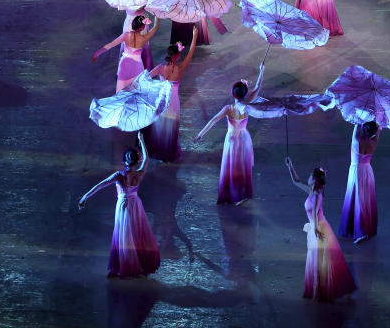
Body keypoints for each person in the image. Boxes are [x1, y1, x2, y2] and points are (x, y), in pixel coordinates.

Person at [78, 133, 161, 278]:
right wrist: (141, 140)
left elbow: (100, 185)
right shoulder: (140, 173)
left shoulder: (118, 176)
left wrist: (85, 196)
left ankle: (124, 265)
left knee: (122, 236)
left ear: (124, 161)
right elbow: (147, 158)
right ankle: (138, 264)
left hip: (123, 206)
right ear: (137, 161)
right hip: (136, 205)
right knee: (136, 234)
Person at [285, 158, 357, 301]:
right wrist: (290, 166)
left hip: (319, 228)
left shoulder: (318, 195)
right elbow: (296, 181)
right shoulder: (311, 191)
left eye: (311, 176)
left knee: (324, 261)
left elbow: (315, 214)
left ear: (315, 180)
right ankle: (317, 289)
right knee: (318, 260)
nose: (308, 177)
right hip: (315, 228)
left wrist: (317, 231)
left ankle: (324, 290)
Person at [194, 64, 265, 205]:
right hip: (244, 139)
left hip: (231, 139)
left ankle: (231, 195)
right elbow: (257, 87)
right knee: (242, 167)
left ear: (233, 93)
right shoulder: (247, 105)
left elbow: (213, 121)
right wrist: (262, 70)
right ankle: (241, 194)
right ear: (245, 94)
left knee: (231, 167)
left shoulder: (228, 109)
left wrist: (200, 134)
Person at [148, 29, 198, 163]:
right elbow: (191, 53)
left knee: (160, 125)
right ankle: (169, 153)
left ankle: (159, 150)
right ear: (177, 56)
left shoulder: (160, 68)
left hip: (162, 100)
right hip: (173, 102)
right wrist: (194, 36)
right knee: (171, 127)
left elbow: (146, 79)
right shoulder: (180, 69)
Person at [92, 15, 160, 92]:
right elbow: (155, 27)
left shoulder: (126, 35)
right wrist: (157, 16)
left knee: (121, 89)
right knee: (136, 88)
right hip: (137, 65)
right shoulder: (144, 38)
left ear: (132, 24)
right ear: (143, 27)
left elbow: (111, 44)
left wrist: (97, 53)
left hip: (125, 64)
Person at [339, 121, 379, 243]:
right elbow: (378, 131)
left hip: (356, 172)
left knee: (357, 200)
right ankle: (365, 229)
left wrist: (359, 121)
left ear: (363, 129)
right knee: (365, 200)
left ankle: (361, 231)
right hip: (367, 171)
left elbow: (356, 126)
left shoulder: (356, 140)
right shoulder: (374, 142)